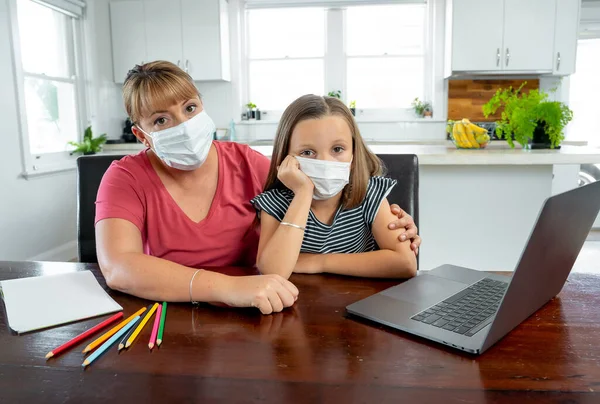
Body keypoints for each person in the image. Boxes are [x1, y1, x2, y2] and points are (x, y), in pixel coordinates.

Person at [94, 61, 421, 314]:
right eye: (161, 120)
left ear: (202, 106)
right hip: (175, 307)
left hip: (263, 305)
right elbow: (119, 267)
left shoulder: (250, 164)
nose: (184, 125)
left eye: (190, 108)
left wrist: (395, 224)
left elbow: (318, 192)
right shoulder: (125, 178)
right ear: (141, 135)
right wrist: (226, 288)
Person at [252, 95, 417, 279]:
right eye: (307, 152)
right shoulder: (275, 203)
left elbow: (406, 263)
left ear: (354, 154)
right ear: (286, 159)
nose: (325, 162)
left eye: (337, 149)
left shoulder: (369, 193)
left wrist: (318, 262)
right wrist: (303, 193)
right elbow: (273, 271)